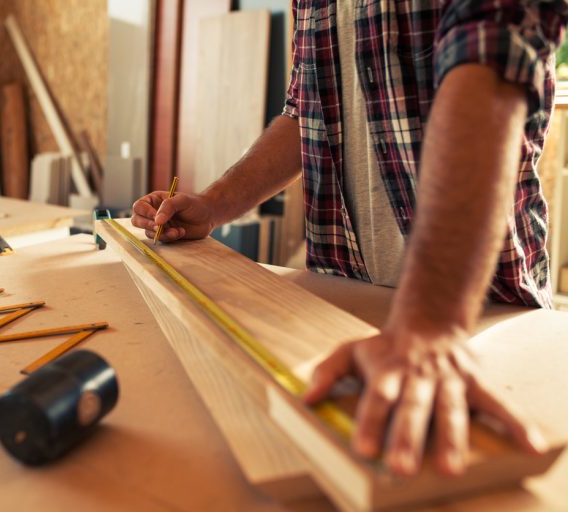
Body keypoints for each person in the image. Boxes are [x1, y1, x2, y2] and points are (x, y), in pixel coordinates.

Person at [132, 1, 568, 476]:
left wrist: (430, 323)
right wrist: (214, 204)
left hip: (473, 312)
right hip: (345, 293)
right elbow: (303, 112)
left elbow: (491, 66)